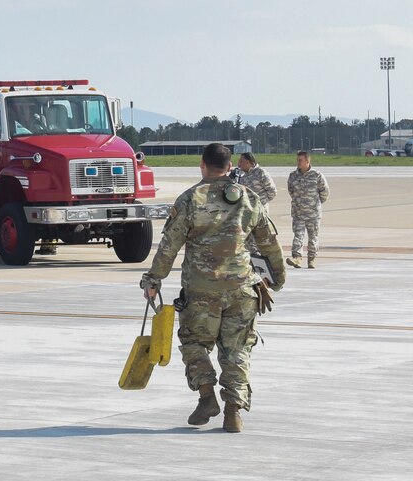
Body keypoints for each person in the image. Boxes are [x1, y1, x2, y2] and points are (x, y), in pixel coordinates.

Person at [141, 143, 287, 433]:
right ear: (230, 166)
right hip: (242, 290)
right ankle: (233, 412)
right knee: (237, 351)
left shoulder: (189, 200)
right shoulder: (248, 198)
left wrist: (153, 280)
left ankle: (207, 396)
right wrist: (277, 279)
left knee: (194, 343)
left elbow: (169, 247)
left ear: (202, 166)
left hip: (200, 293)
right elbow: (270, 243)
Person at [285, 150, 329, 268]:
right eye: (297, 160)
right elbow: (291, 191)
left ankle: (311, 259)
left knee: (313, 237)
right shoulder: (293, 176)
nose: (298, 162)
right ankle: (296, 258)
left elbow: (324, 193)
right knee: (298, 235)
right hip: (298, 213)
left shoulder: (317, 175)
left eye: (300, 160)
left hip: (313, 213)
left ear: (307, 161)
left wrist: (315, 204)